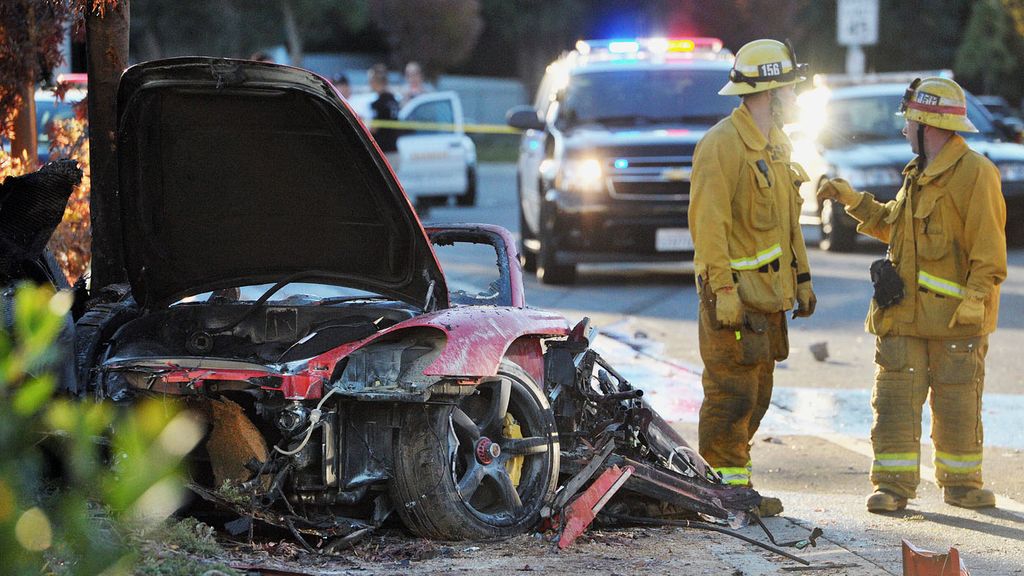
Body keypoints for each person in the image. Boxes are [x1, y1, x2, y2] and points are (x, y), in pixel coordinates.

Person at [817, 77, 1006, 513]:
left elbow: (989, 252)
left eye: (909, 122)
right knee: (894, 402)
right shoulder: (917, 175)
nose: (904, 129)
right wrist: (853, 201)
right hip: (903, 316)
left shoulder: (976, 175)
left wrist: (976, 297)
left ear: (928, 125)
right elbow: (894, 227)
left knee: (957, 403)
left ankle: (961, 484)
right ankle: (893, 487)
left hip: (955, 320)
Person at [688, 39, 816, 518]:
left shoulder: (776, 147)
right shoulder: (722, 146)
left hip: (767, 302)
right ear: (771, 92)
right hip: (734, 302)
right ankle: (721, 495)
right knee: (731, 398)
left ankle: (729, 488)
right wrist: (722, 290)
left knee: (758, 397)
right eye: (790, 89)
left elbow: (788, 224)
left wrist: (801, 279)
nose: (796, 98)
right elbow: (710, 227)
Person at [367, 63, 401, 166]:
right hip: (394, 150)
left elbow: (374, 129)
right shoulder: (394, 100)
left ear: (374, 81)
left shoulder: (378, 104)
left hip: (383, 153)